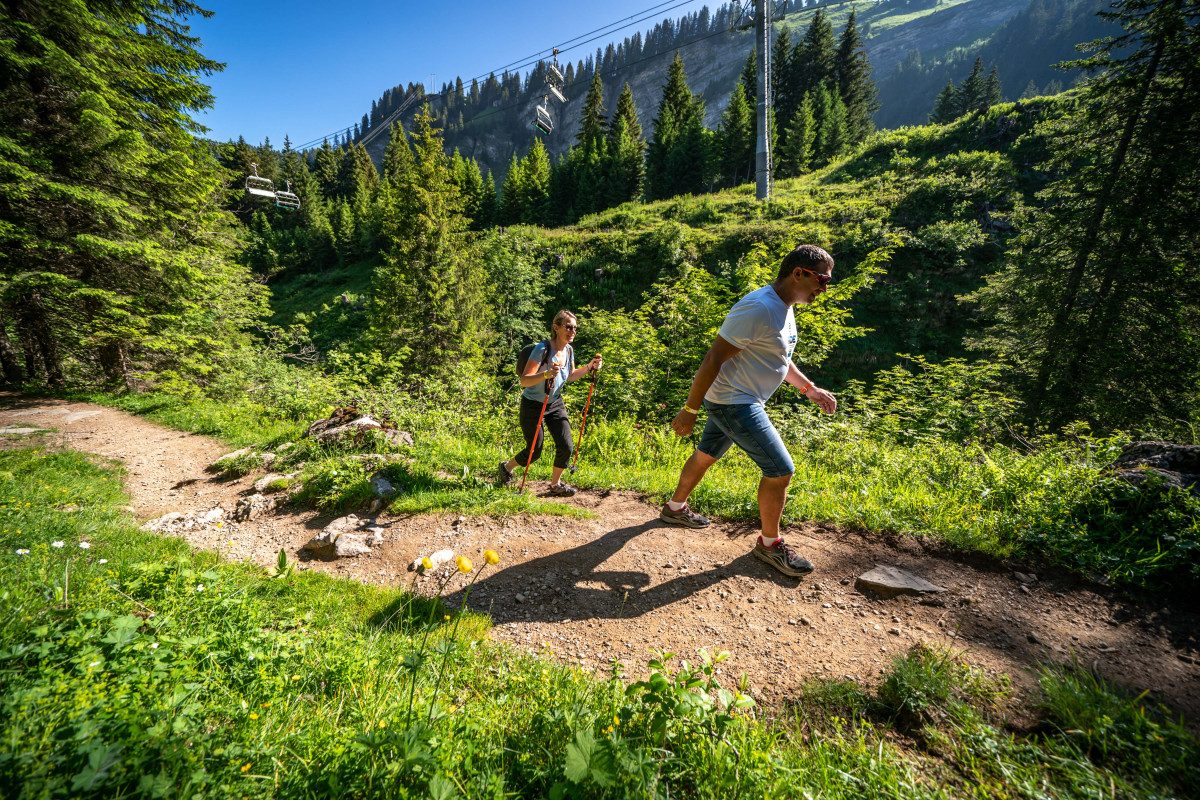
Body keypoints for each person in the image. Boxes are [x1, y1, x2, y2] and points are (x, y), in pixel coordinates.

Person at [660, 244, 838, 577]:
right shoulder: (759, 307)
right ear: (798, 273)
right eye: (822, 280)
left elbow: (779, 357)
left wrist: (809, 389)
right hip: (735, 401)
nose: (824, 288)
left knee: (706, 454)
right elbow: (713, 358)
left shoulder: (784, 307)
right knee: (780, 470)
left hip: (737, 398)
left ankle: (674, 508)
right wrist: (689, 410)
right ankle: (769, 545)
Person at [498, 310, 603, 496]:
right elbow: (525, 380)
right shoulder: (542, 349)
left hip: (554, 402)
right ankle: (506, 467)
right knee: (534, 451)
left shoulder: (569, 350)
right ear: (556, 328)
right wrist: (545, 375)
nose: (573, 331)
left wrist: (589, 367)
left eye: (575, 328)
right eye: (568, 327)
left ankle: (555, 485)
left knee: (566, 445)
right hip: (532, 404)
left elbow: (570, 376)